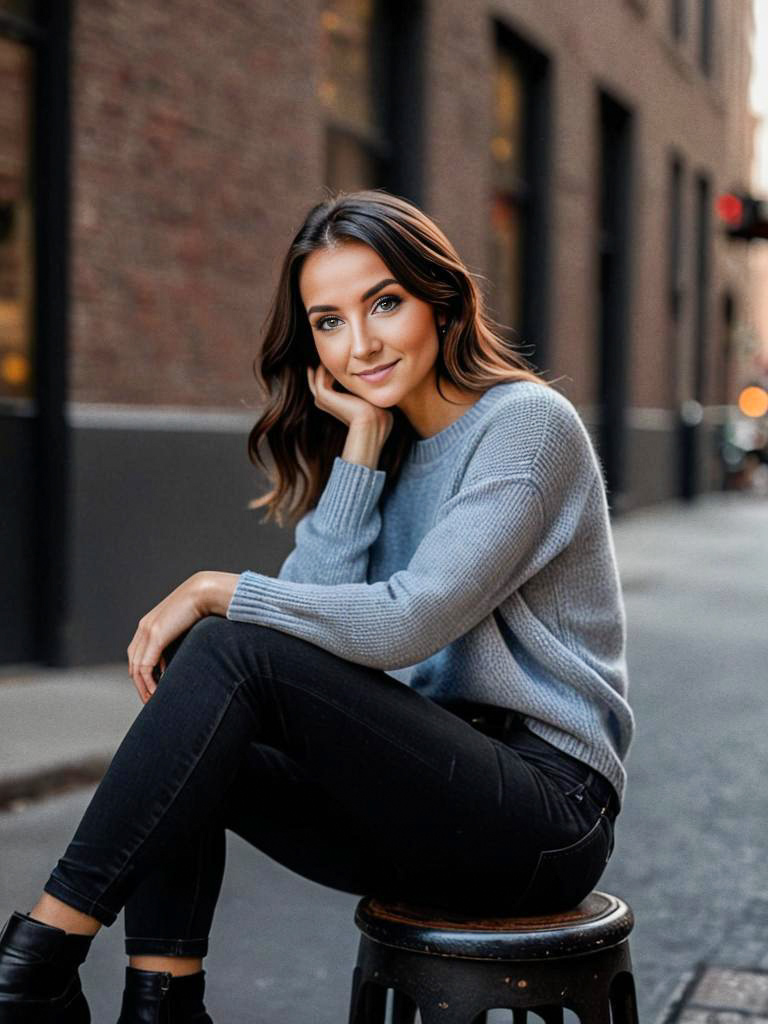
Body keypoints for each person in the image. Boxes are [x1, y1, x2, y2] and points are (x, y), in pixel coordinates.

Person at [0, 189, 635, 1023]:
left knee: (224, 637)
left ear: (441, 303)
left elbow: (411, 618)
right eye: (328, 321)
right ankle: (163, 1006)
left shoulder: (526, 428)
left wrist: (213, 587)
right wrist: (361, 452)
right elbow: (301, 620)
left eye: (384, 304)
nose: (360, 343)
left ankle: (33, 963)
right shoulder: (387, 445)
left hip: (546, 815)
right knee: (200, 723)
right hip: (427, 797)